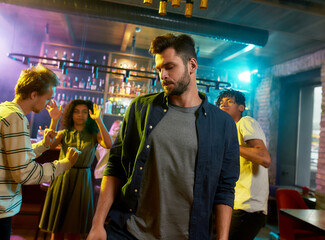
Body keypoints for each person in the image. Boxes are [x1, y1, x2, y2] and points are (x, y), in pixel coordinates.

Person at [87, 33, 239, 240]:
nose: (163, 75)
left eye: (169, 67)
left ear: (192, 65)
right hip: (130, 231)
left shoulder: (222, 124)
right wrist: (97, 224)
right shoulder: (141, 108)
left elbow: (225, 188)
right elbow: (115, 165)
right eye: (159, 69)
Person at [0, 64, 81, 240]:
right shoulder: (16, 119)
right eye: (47, 98)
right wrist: (64, 164)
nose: (48, 104)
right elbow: (24, 173)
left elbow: (12, 157)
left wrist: (44, 145)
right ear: (33, 94)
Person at [39, 99, 112, 240]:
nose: (80, 115)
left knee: (76, 227)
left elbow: (108, 144)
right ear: (71, 114)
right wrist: (54, 120)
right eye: (76, 111)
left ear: (90, 114)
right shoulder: (64, 133)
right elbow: (48, 145)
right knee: (58, 225)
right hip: (63, 177)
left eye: (85, 112)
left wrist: (99, 121)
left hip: (83, 179)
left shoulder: (93, 133)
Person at [216, 89, 271, 240]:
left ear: (241, 107)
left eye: (229, 101)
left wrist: (230, 144)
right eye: (221, 102)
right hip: (235, 204)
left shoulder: (245, 122)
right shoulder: (230, 131)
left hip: (248, 208)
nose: (224, 104)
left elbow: (264, 158)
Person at [94, 120, 122, 203]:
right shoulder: (123, 141)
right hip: (114, 177)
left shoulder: (102, 141)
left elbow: (97, 156)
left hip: (99, 176)